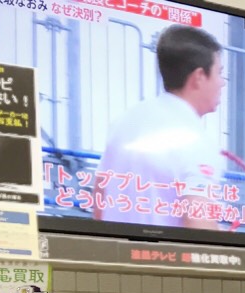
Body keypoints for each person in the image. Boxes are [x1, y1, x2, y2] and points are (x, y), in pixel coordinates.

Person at [95, 25, 227, 230]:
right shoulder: (196, 140)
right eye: (219, 73)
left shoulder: (123, 121)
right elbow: (198, 224)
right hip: (167, 252)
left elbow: (99, 198)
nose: (222, 83)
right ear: (199, 77)